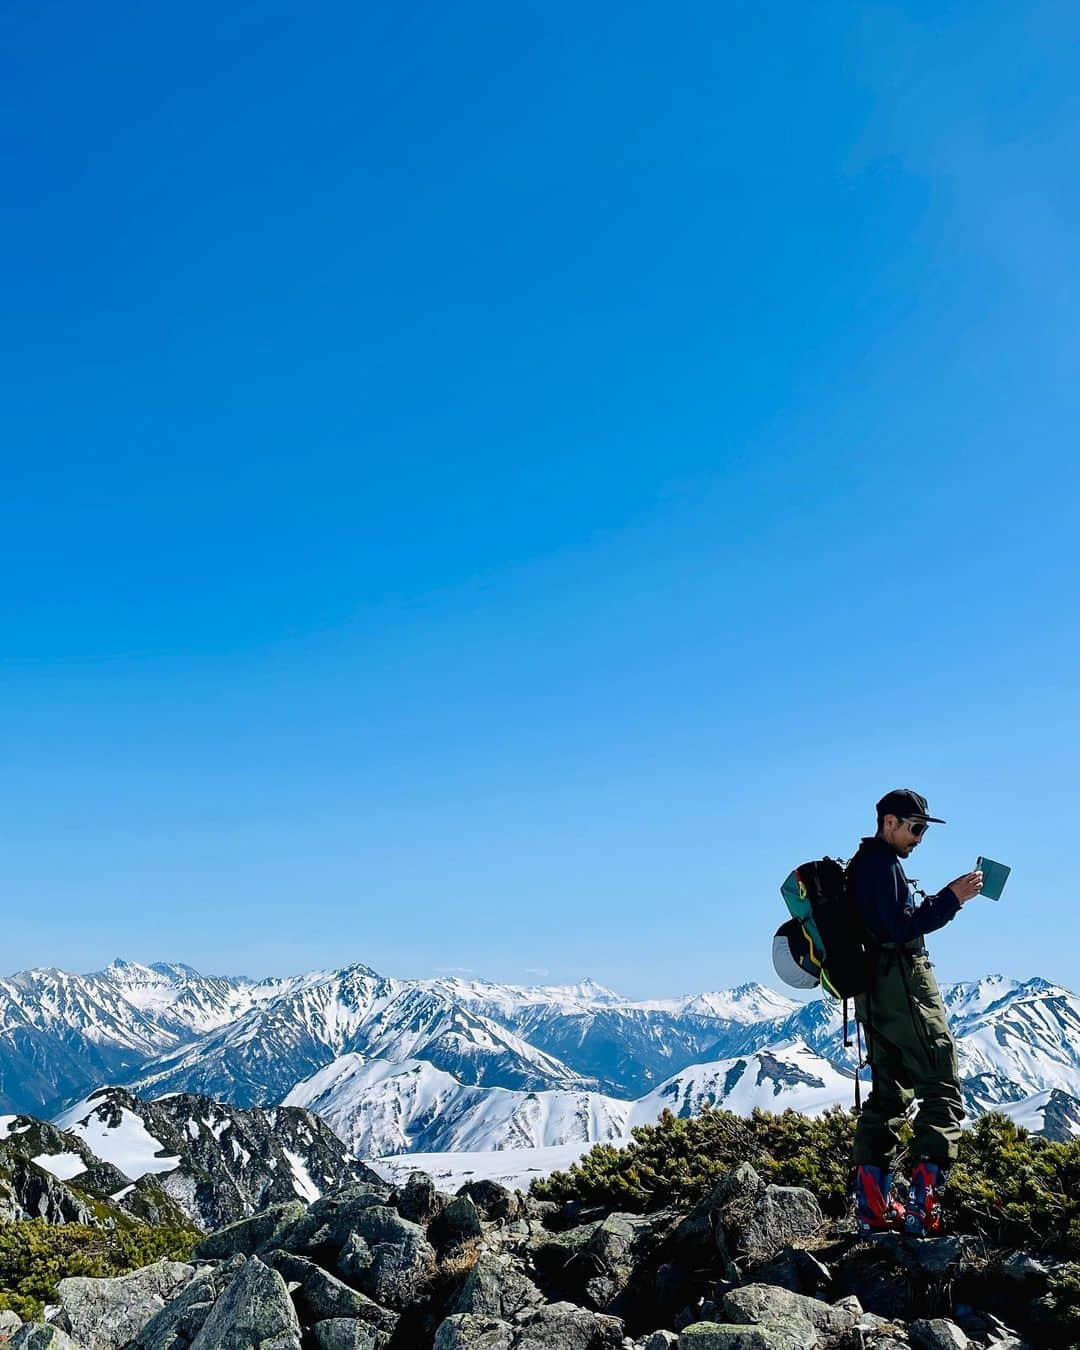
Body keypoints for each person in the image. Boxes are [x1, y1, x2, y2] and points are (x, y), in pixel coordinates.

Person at [850, 789, 983, 1237]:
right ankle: (922, 1209)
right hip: (904, 991)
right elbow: (899, 927)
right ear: (889, 823)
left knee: (889, 1094)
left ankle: (872, 1205)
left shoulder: (862, 865)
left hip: (874, 996)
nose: (920, 837)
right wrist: (951, 898)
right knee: (940, 1086)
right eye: (915, 827)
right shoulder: (883, 866)